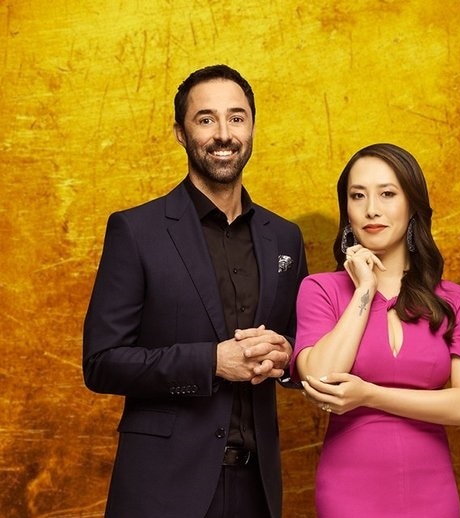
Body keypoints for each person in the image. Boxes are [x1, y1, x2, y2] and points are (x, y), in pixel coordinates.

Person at [83, 64, 308, 518]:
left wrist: (285, 357)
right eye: (205, 119)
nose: (224, 133)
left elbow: (299, 348)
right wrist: (211, 362)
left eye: (237, 118)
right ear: (180, 134)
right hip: (161, 489)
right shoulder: (136, 230)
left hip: (256, 490)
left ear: (252, 127)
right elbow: (101, 363)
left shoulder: (284, 237)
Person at [292, 143, 460, 517]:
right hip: (348, 492)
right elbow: (319, 376)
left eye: (387, 194)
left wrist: (369, 395)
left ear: (412, 205)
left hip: (433, 493)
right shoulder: (321, 290)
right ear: (346, 210)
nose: (371, 209)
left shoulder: (454, 300)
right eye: (357, 196)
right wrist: (364, 290)